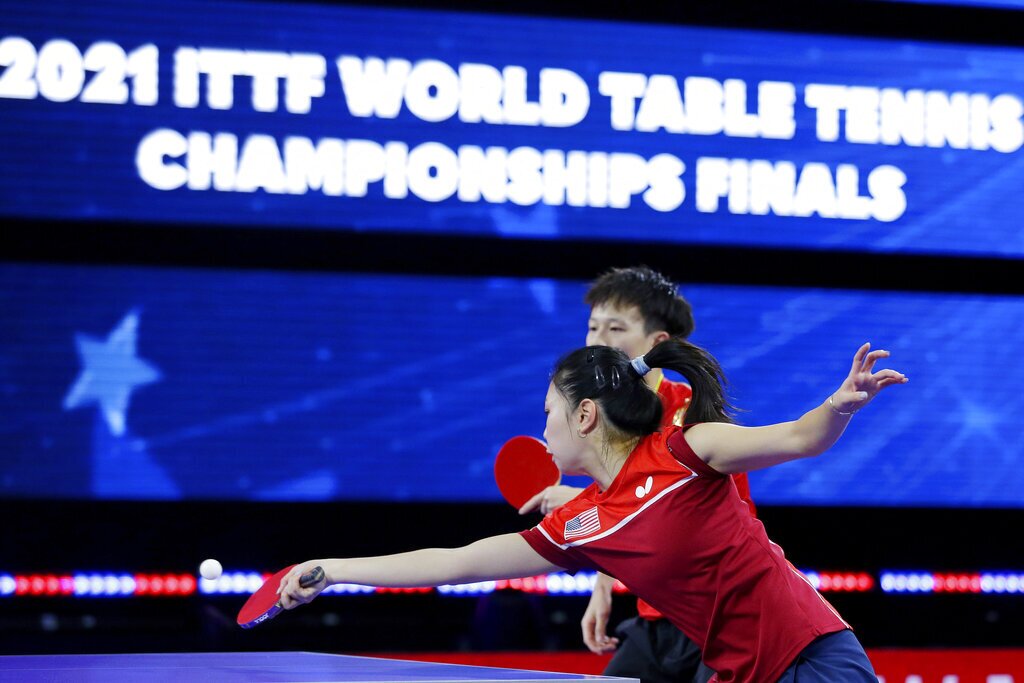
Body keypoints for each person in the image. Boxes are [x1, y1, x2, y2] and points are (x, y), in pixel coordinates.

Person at [279, 339, 906, 682]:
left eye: (548, 410)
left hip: (811, 659)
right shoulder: (585, 523)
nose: (543, 428)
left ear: (584, 416)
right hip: (739, 673)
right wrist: (333, 567)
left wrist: (842, 402)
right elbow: (458, 561)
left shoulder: (687, 451)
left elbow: (799, 437)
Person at [520, 265, 755, 683]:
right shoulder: (605, 418)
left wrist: (577, 504)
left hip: (719, 616)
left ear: (657, 342)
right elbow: (623, 517)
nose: (597, 341)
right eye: (593, 328)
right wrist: (603, 587)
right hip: (657, 617)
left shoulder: (691, 420)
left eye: (615, 329)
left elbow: (676, 521)